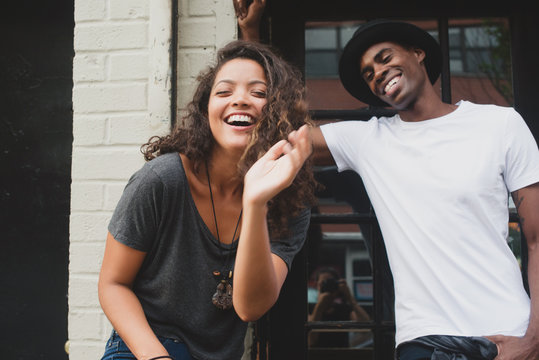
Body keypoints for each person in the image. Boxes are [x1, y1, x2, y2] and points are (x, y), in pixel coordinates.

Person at [309, 19, 539, 359]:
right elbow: (280, 139)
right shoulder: (368, 140)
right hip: (424, 341)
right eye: (368, 74)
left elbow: (536, 238)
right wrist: (253, 37)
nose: (378, 74)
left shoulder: (500, 124)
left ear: (418, 54)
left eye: (384, 58)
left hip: (508, 335)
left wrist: (533, 340)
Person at [97, 40, 316, 360]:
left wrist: (255, 203)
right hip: (145, 348)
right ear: (205, 110)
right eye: (224, 92)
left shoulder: (290, 203)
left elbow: (250, 308)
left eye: (258, 93)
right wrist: (156, 358)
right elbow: (113, 284)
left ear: (279, 111)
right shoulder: (161, 180)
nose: (240, 100)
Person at [308, 267, 370, 348]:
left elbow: (365, 328)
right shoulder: (309, 308)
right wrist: (319, 307)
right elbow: (310, 340)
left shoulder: (344, 309)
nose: (328, 286)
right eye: (323, 283)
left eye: (331, 283)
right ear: (317, 285)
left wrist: (349, 297)